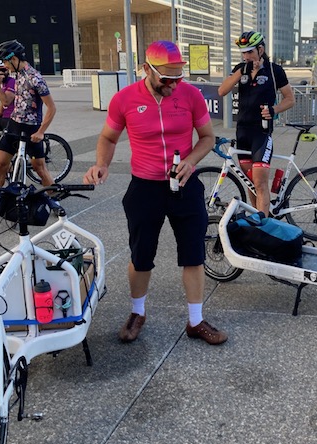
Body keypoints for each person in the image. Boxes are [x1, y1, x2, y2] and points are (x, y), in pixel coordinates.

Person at [83, 40, 227, 346]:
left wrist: (190, 161)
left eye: (179, 77)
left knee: (193, 253)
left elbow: (206, 137)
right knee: (141, 255)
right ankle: (137, 312)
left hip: (184, 185)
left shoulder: (190, 95)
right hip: (145, 186)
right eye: (167, 78)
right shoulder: (124, 99)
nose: (174, 84)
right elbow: (108, 137)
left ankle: (196, 320)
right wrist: (101, 164)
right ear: (147, 69)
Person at [217, 31, 295, 214]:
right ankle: (256, 220)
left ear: (261, 49)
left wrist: (274, 110)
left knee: (260, 183)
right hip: (242, 132)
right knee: (250, 183)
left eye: (249, 52)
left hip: (261, 133)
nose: (245, 56)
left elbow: (290, 99)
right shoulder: (241, 68)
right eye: (243, 53)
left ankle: (265, 227)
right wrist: (242, 71)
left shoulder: (275, 70)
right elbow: (222, 91)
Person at [0, 40, 58, 218]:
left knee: (39, 167)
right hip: (14, 125)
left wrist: (41, 131)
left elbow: (51, 108)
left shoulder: (36, 78)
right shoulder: (16, 75)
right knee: (1, 163)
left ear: (14, 59)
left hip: (32, 128)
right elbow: (9, 101)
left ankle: (55, 201)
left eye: (6, 63)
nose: (5, 67)